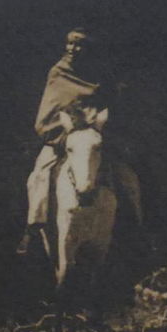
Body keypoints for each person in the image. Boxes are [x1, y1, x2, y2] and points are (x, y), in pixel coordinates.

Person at [19, 28, 114, 256]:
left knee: (125, 177)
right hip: (59, 137)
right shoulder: (58, 72)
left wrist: (94, 125)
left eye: (79, 45)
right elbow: (48, 111)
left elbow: (105, 105)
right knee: (38, 176)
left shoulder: (98, 76)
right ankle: (34, 227)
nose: (73, 49)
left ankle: (133, 223)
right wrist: (63, 133)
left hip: (91, 135)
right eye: (70, 44)